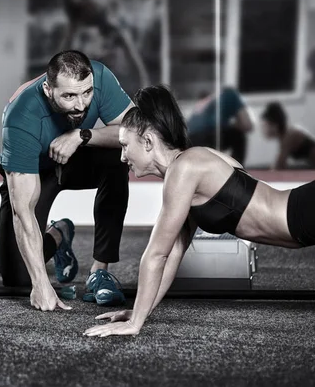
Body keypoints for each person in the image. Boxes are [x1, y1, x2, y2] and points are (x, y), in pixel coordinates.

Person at [84, 84, 311, 337]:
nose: (122, 157)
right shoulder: (186, 171)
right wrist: (141, 312)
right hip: (301, 220)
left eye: (125, 146)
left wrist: (133, 324)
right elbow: (172, 255)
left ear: (148, 141)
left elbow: (155, 255)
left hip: (303, 212)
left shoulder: (185, 169)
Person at [0, 50, 133, 312]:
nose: (81, 105)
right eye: (69, 96)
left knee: (119, 159)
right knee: (18, 279)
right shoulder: (20, 118)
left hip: (76, 156)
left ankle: (100, 269)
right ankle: (59, 234)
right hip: (35, 170)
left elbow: (134, 131)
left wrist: (81, 135)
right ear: (48, 90)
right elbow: (22, 211)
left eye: (86, 93)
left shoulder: (100, 77)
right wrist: (40, 283)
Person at [187, 87, 255, 164]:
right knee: (239, 135)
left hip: (189, 141)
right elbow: (247, 125)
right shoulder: (230, 94)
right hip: (209, 136)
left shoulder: (203, 102)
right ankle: (237, 171)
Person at [261, 101, 315, 169]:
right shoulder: (285, 136)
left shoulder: (288, 136)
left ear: (275, 125)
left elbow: (279, 166)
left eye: (267, 124)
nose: (264, 128)